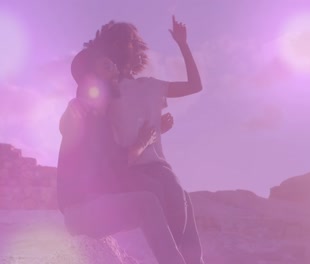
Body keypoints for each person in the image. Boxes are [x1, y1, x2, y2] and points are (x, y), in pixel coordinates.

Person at [76, 15, 205, 264]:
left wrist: (183, 44)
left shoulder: (150, 85)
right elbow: (105, 131)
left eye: (136, 42)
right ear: (116, 47)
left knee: (183, 206)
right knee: (163, 208)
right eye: (129, 42)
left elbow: (194, 85)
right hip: (132, 168)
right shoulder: (107, 90)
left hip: (160, 166)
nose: (135, 47)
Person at [57, 47, 189, 264]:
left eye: (114, 65)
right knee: (147, 202)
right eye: (107, 66)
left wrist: (152, 135)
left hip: (94, 207)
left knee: (152, 189)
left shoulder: (104, 124)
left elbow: (121, 159)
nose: (116, 70)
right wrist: (74, 104)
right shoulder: (82, 110)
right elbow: (69, 122)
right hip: (80, 212)